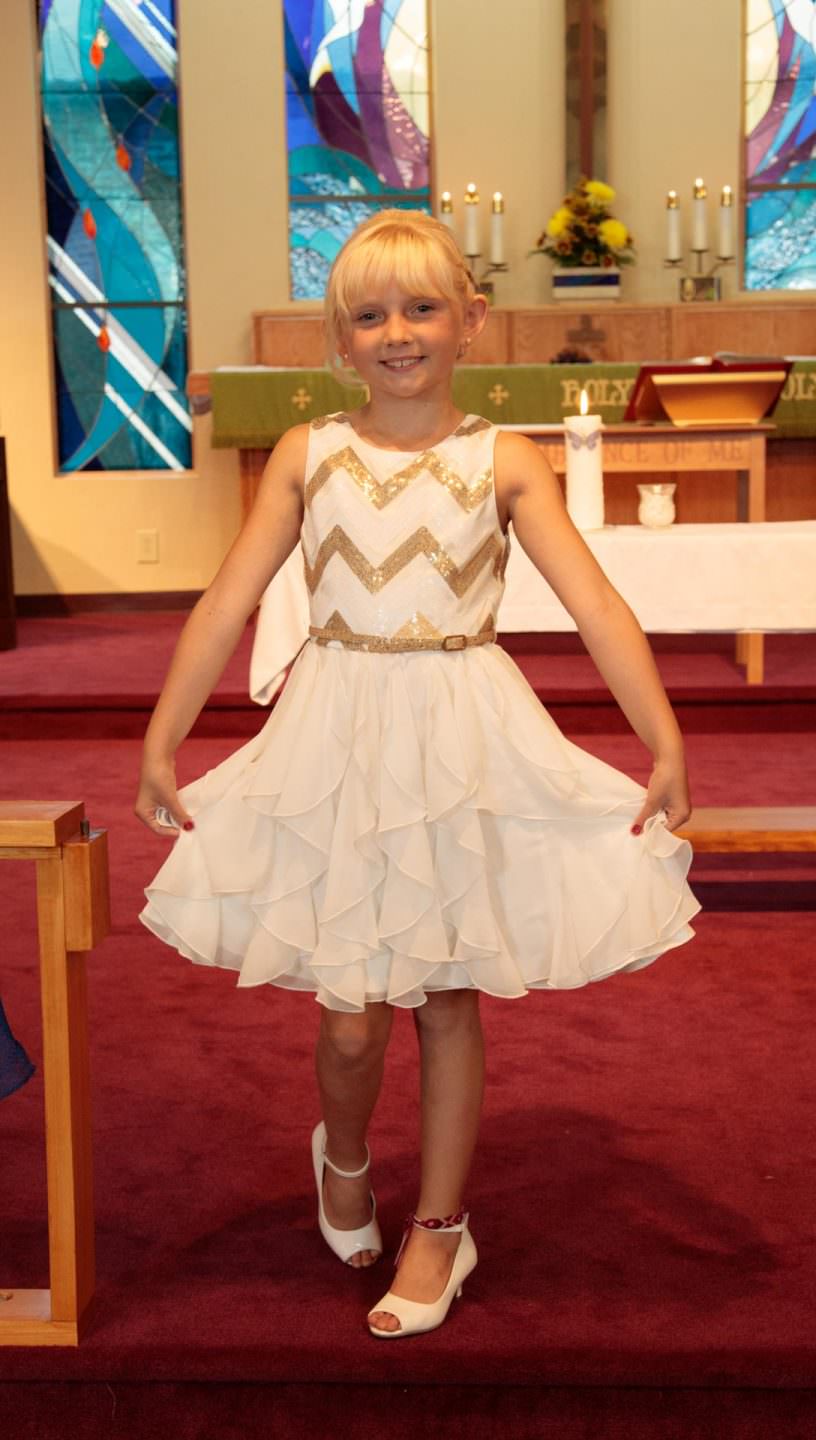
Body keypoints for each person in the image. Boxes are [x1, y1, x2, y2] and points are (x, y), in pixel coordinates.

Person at [136, 210, 700, 1340]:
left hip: (457, 730)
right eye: (370, 315)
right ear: (341, 341)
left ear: (470, 322)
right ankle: (342, 1154)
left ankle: (442, 1225)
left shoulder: (504, 458)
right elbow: (228, 602)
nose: (398, 333)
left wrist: (665, 736)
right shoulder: (309, 454)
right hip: (338, 723)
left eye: (422, 308)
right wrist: (163, 734)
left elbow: (596, 606)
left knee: (446, 993)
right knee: (350, 1016)